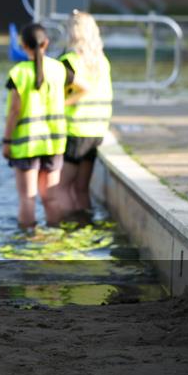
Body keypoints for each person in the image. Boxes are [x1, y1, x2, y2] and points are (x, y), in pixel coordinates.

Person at [2, 24, 67, 230]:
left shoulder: (19, 73)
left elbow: (14, 111)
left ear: (22, 46)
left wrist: (6, 141)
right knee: (51, 198)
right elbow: (81, 87)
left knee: (27, 198)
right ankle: (55, 234)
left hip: (26, 144)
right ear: (46, 43)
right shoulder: (59, 69)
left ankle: (28, 240)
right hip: (54, 143)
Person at [52, 12, 114, 222]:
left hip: (76, 131)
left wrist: (58, 105)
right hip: (96, 131)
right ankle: (86, 228)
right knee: (81, 189)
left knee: (60, 188)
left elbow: (82, 89)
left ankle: (66, 229)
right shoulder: (102, 61)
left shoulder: (69, 62)